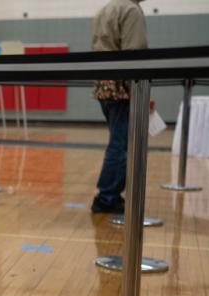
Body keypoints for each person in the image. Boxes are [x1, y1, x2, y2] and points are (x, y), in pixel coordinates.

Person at [90, 0, 149, 213]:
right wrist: (138, 90)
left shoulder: (105, 9)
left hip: (104, 84)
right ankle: (106, 197)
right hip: (121, 86)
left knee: (118, 141)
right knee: (120, 144)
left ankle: (109, 194)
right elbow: (134, 53)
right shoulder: (131, 10)